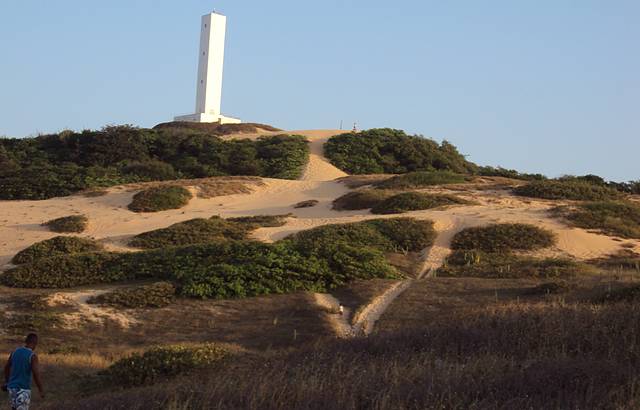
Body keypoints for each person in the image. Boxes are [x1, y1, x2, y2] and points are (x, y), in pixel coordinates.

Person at [2, 333, 44, 410]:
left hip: (12, 388)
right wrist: (41, 390)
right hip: (23, 389)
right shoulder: (32, 356)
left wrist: (7, 382)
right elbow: (36, 374)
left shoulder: (15, 352)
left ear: (26, 341)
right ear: (35, 343)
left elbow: (6, 367)